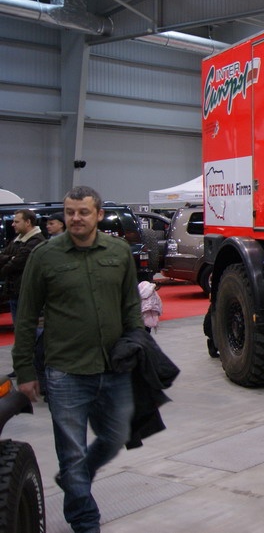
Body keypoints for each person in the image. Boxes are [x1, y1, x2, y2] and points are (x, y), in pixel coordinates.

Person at [12, 186, 144, 533]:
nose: (75, 218)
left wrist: (137, 345)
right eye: (70, 212)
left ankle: (74, 478)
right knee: (70, 452)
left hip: (113, 367)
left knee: (115, 437)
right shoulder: (45, 256)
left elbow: (131, 306)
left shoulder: (118, 252)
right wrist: (26, 370)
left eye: (83, 212)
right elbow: (25, 317)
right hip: (65, 371)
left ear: (99, 215)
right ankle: (85, 520)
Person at [0, 208, 45, 324]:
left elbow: (16, 264)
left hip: (27, 294)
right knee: (20, 329)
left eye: (16, 222)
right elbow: (4, 256)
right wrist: (11, 257)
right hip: (15, 292)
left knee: (28, 330)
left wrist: (9, 260)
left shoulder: (36, 241)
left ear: (28, 222)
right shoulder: (18, 239)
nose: (12, 224)